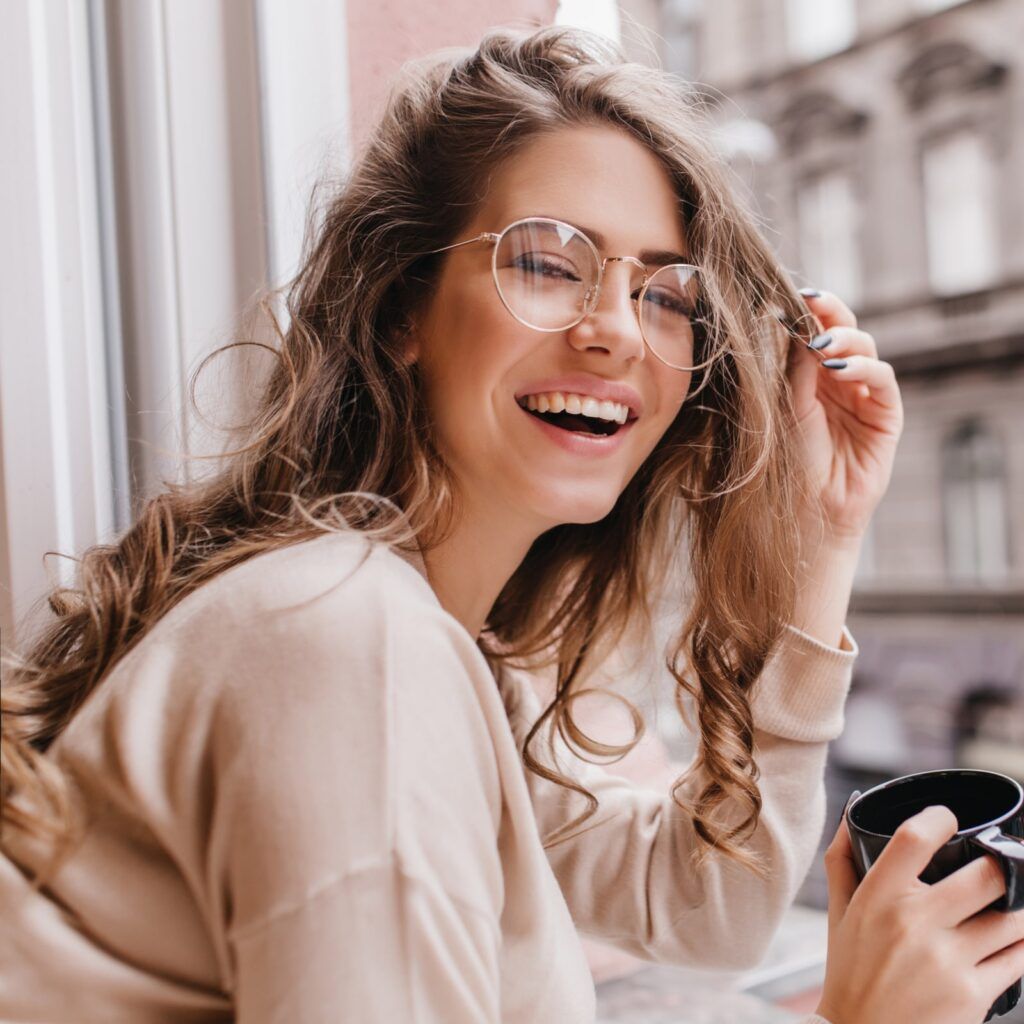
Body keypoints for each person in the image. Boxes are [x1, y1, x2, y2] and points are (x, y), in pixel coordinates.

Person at [1, 25, 1021, 1024]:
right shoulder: (349, 644)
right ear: (401, 305)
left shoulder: (440, 644)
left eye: (665, 293)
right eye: (545, 262)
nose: (616, 329)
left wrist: (821, 528)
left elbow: (707, 906)